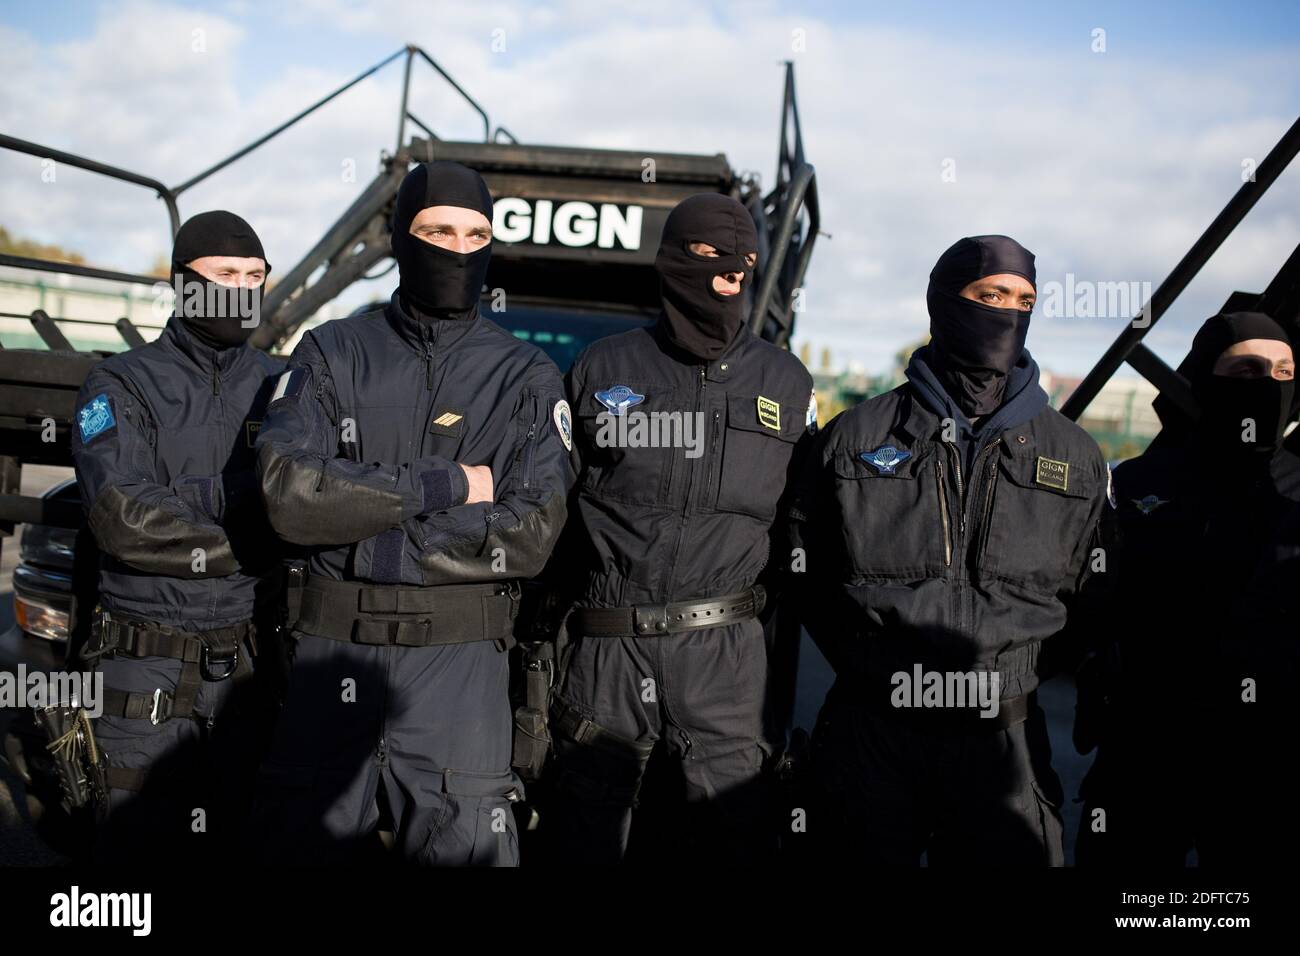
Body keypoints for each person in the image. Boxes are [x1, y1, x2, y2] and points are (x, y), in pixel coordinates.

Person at [252, 160, 571, 865]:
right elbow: (286, 492)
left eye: (475, 234)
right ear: (401, 238)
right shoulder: (331, 352)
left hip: (461, 680)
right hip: (330, 661)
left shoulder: (526, 376)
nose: (457, 250)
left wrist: (361, 524)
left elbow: (532, 530)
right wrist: (445, 487)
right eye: (437, 231)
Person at [786, 234, 1109, 865]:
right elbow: (806, 573)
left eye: (1023, 300)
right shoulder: (854, 437)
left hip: (1005, 744)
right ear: (944, 302)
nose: (1008, 312)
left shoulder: (1073, 455)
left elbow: (1093, 595)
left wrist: (1012, 670)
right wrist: (874, 664)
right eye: (990, 295)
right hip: (871, 737)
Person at [545, 193, 815, 864]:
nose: (729, 272)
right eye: (707, 255)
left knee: (730, 843)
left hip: (726, 663)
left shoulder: (786, 382)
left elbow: (801, 536)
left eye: (745, 259)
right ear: (672, 259)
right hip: (605, 654)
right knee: (582, 839)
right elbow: (552, 518)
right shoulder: (602, 368)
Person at [70, 210, 282, 862]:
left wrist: (185, 498)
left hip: (255, 668)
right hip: (145, 675)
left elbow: (316, 502)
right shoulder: (118, 384)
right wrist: (254, 518)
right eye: (225, 276)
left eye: (255, 277)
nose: (241, 291)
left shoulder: (287, 384)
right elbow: (122, 515)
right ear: (182, 281)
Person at [1074, 311, 1298, 866]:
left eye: (1284, 370)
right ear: (1205, 377)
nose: (1269, 385)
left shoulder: (1295, 488)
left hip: (1269, 766)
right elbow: (1092, 601)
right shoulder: (1137, 483)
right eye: (1246, 371)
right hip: (1146, 753)